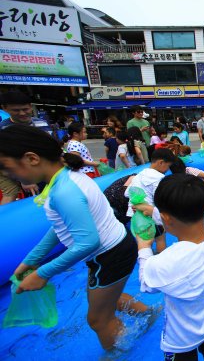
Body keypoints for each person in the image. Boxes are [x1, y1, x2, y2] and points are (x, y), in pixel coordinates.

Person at [0, 125, 150, 350]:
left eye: (7, 168)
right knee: (109, 299)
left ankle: (120, 353)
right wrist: (32, 260)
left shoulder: (64, 191)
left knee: (98, 319)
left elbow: (88, 242)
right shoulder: (68, 178)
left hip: (108, 257)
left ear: (31, 158)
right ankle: (151, 316)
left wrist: (43, 273)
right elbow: (61, 227)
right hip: (116, 248)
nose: (7, 175)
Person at [137, 174, 204, 361]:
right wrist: (155, 213)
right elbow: (186, 221)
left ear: (166, 218)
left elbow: (146, 284)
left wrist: (143, 247)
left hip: (182, 336)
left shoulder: (167, 262)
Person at [124, 148, 177, 254]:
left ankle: (145, 259)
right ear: (161, 162)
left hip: (134, 214)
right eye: (168, 166)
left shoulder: (139, 174)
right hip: (149, 214)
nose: (168, 170)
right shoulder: (159, 178)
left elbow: (127, 193)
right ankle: (160, 260)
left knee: (143, 241)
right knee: (160, 238)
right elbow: (161, 199)